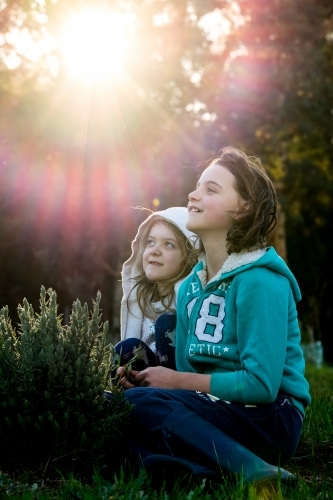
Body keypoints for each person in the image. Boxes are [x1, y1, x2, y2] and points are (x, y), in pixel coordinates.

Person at [118, 147, 311, 497]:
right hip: (220, 411)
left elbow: (261, 385)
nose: (194, 194)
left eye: (211, 189)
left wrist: (173, 382)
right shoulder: (192, 286)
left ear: (244, 207)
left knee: (142, 407)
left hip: (270, 418)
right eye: (197, 186)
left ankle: (253, 468)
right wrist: (151, 383)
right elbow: (191, 377)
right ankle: (197, 470)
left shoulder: (260, 281)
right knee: (113, 405)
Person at [111, 207, 198, 382]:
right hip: (149, 380)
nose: (155, 250)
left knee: (166, 323)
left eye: (169, 244)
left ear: (189, 258)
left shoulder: (194, 303)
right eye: (150, 242)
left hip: (182, 385)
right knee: (127, 347)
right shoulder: (144, 300)